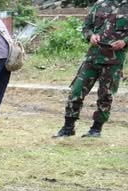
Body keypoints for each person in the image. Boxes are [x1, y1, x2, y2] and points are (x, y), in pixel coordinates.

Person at [53, 0, 127, 138]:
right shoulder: (100, 4)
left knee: (105, 96)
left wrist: (124, 42)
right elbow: (86, 26)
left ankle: (96, 129)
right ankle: (68, 128)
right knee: (76, 90)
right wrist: (91, 36)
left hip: (114, 61)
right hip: (93, 57)